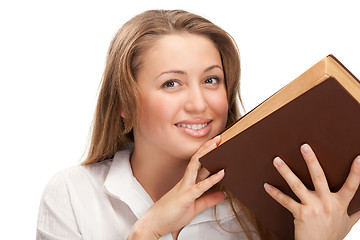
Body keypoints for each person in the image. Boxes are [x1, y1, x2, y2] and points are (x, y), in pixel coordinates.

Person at [36, 9, 360, 240]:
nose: (199, 104)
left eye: (211, 79)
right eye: (171, 84)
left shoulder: (271, 204)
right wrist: (146, 232)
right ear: (124, 102)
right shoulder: (73, 194)